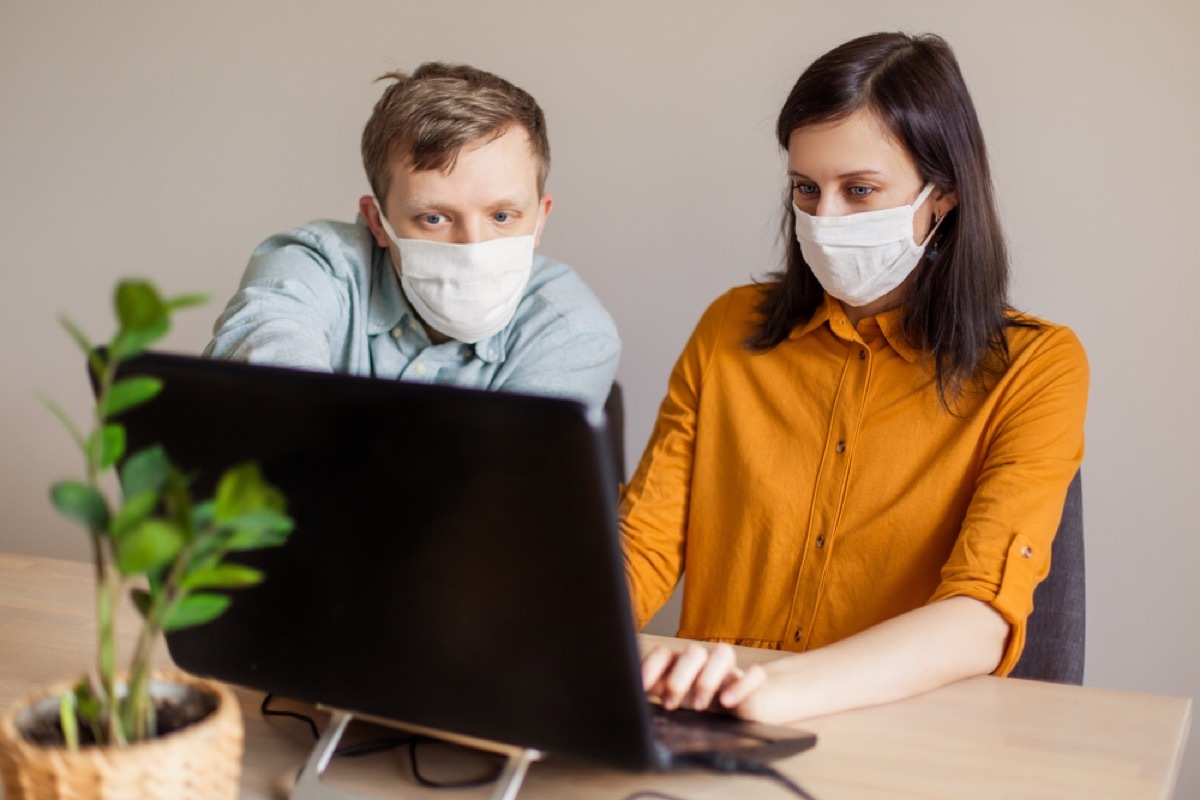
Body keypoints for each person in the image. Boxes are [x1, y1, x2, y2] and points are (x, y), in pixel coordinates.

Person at [621, 32, 1088, 723]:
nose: (823, 219)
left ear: (945, 194)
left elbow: (980, 613)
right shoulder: (728, 328)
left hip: (898, 736)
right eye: (806, 189)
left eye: (859, 190)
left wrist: (768, 693)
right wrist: (561, 638)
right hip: (714, 727)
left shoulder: (1037, 367)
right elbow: (642, 545)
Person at [205, 63, 619, 408]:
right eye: (434, 218)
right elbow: (265, 359)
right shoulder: (316, 264)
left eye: (502, 216)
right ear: (378, 221)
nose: (473, 247)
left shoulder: (572, 331)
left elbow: (504, 488)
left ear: (540, 219)